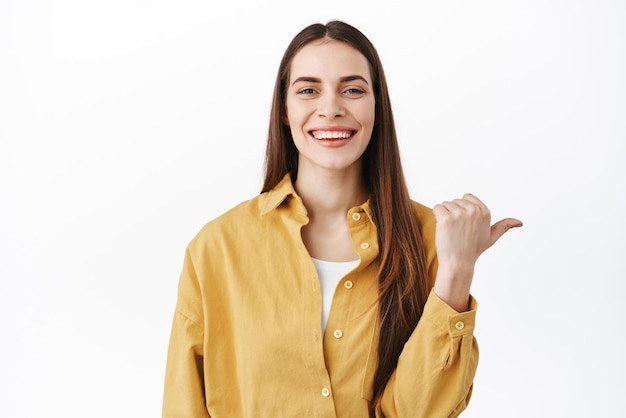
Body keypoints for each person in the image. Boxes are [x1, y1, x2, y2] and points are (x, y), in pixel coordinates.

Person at [162, 20, 522, 418]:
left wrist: (456, 271)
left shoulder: (432, 239)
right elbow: (184, 407)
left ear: (376, 106)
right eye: (308, 90)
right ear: (284, 109)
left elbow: (423, 410)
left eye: (352, 89)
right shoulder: (217, 247)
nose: (331, 108)